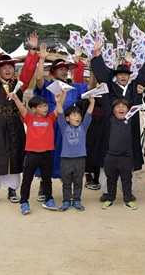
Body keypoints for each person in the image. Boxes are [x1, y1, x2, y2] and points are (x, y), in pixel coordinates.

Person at [0, 34, 40, 206]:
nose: (8, 69)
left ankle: (12, 189)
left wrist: (32, 49)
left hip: (14, 125)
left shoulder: (20, 84)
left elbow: (28, 69)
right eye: (4, 67)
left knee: (14, 154)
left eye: (10, 67)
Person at [91, 37, 145, 202]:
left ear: (129, 76)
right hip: (110, 129)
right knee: (107, 161)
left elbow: (144, 75)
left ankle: (129, 191)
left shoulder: (135, 87)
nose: (122, 76)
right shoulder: (110, 87)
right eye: (119, 74)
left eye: (125, 74)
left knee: (130, 160)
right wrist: (97, 53)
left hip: (130, 129)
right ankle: (107, 191)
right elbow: (102, 74)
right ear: (116, 76)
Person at [33, 42, 92, 201]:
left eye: (66, 69)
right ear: (53, 72)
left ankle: (68, 187)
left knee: (65, 156)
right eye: (61, 69)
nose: (65, 71)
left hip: (67, 128)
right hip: (50, 126)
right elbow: (38, 78)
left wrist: (92, 69)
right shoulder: (47, 86)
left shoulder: (74, 87)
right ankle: (43, 185)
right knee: (47, 155)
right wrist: (41, 60)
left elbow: (91, 86)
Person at [10, 93, 62, 214]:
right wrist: (16, 98)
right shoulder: (29, 118)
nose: (45, 108)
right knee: (27, 179)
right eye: (41, 106)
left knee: (47, 179)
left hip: (46, 154)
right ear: (34, 109)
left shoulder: (50, 118)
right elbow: (22, 109)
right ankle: (24, 202)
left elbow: (58, 107)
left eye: (45, 106)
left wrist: (60, 99)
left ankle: (49, 200)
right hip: (32, 154)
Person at [55, 95, 95, 212]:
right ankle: (66, 201)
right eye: (74, 115)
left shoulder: (83, 127)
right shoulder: (64, 127)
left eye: (78, 115)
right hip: (66, 159)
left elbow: (88, 115)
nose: (77, 117)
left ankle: (77, 200)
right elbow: (61, 114)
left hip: (80, 159)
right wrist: (58, 103)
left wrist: (92, 103)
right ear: (68, 118)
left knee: (78, 181)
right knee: (66, 182)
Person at [101, 99, 138, 210]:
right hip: (111, 156)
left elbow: (137, 106)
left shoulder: (131, 120)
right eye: (118, 107)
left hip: (126, 157)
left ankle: (127, 200)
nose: (121, 108)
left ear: (128, 110)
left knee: (127, 180)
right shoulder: (110, 119)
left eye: (124, 107)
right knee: (111, 180)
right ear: (112, 110)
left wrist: (139, 95)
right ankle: (110, 199)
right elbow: (106, 104)